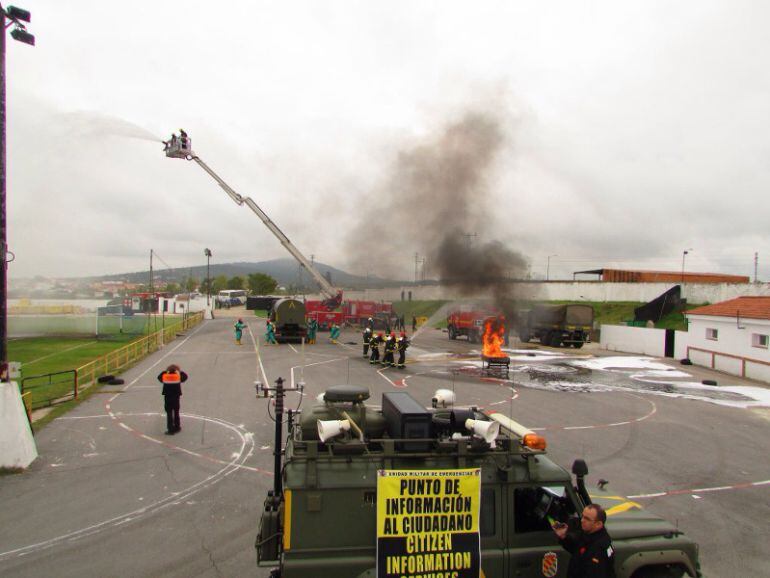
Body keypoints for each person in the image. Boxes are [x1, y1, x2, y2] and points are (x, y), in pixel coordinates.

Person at [553, 504, 615, 578]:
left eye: (587, 519)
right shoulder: (589, 533)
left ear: (598, 524)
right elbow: (577, 550)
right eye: (582, 516)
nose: (582, 520)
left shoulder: (599, 548)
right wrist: (564, 537)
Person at [157, 364, 188, 435]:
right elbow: (185, 377)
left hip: (168, 397)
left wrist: (166, 372)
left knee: (169, 413)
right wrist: (179, 372)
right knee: (176, 412)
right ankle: (177, 427)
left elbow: (159, 377)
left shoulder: (165, 376)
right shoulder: (178, 376)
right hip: (176, 396)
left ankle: (170, 429)